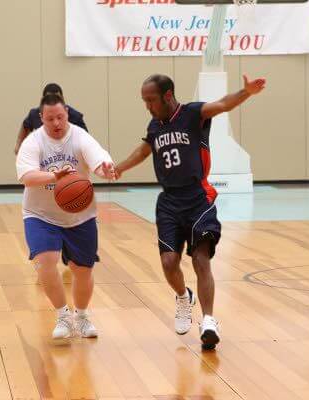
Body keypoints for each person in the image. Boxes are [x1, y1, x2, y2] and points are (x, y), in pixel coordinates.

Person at [114, 74, 266, 349]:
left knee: (200, 258)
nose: (147, 106)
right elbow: (143, 151)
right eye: (144, 101)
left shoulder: (194, 113)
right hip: (169, 203)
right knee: (169, 263)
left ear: (168, 95)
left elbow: (222, 104)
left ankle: (209, 320)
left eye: (151, 100)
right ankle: (184, 297)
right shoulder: (154, 125)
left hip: (197, 198)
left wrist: (245, 92)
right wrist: (120, 168)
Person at [16, 93, 115, 340]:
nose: (57, 123)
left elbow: (98, 157)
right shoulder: (33, 141)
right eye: (50, 119)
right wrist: (54, 177)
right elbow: (27, 176)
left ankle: (81, 316)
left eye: (60, 117)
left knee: (83, 270)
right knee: (45, 262)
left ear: (67, 114)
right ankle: (63, 315)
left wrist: (104, 168)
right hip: (40, 215)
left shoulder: (80, 137)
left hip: (79, 215)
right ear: (42, 118)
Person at [14, 83, 88, 155]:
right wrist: (19, 143)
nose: (53, 102)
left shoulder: (74, 115)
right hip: (44, 155)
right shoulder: (34, 114)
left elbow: (85, 139)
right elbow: (25, 126)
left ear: (63, 99)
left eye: (57, 99)